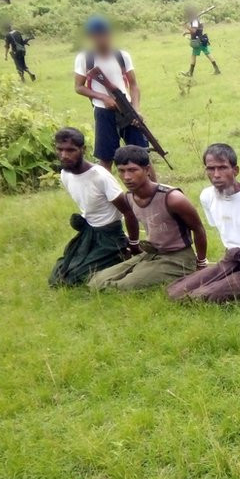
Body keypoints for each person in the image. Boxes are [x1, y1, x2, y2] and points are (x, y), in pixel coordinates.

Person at [166, 144, 240, 302]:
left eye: (222, 168)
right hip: (231, 258)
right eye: (211, 169)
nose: (216, 175)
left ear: (235, 170)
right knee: (176, 291)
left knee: (201, 297)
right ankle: (230, 276)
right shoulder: (207, 196)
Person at [88, 146, 208, 291]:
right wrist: (134, 244)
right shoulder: (129, 197)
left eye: (132, 170)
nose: (126, 177)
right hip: (151, 252)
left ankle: (177, 271)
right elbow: (131, 218)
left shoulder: (172, 198)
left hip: (178, 257)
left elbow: (198, 229)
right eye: (121, 171)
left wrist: (201, 264)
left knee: (123, 286)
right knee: (96, 281)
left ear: (147, 170)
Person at [49, 127, 140, 287]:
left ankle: (121, 253)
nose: (64, 155)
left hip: (111, 236)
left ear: (83, 150)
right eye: (60, 150)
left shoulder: (100, 176)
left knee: (75, 278)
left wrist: (134, 245)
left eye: (70, 150)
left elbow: (128, 211)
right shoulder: (65, 174)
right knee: (59, 274)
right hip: (89, 232)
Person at [74, 16, 146, 172]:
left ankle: (153, 187)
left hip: (127, 108)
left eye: (104, 34)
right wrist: (103, 97)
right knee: (106, 159)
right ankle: (105, 188)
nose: (101, 39)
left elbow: (134, 85)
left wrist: (136, 110)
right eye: (96, 35)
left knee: (141, 155)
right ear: (91, 37)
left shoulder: (121, 56)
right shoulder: (85, 58)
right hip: (103, 112)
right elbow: (79, 87)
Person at [183, 6, 221, 77]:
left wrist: (186, 27)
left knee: (196, 55)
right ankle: (217, 69)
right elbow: (197, 31)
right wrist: (187, 32)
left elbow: (194, 31)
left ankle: (190, 73)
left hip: (198, 41)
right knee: (206, 54)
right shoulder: (196, 20)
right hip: (200, 40)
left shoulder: (195, 21)